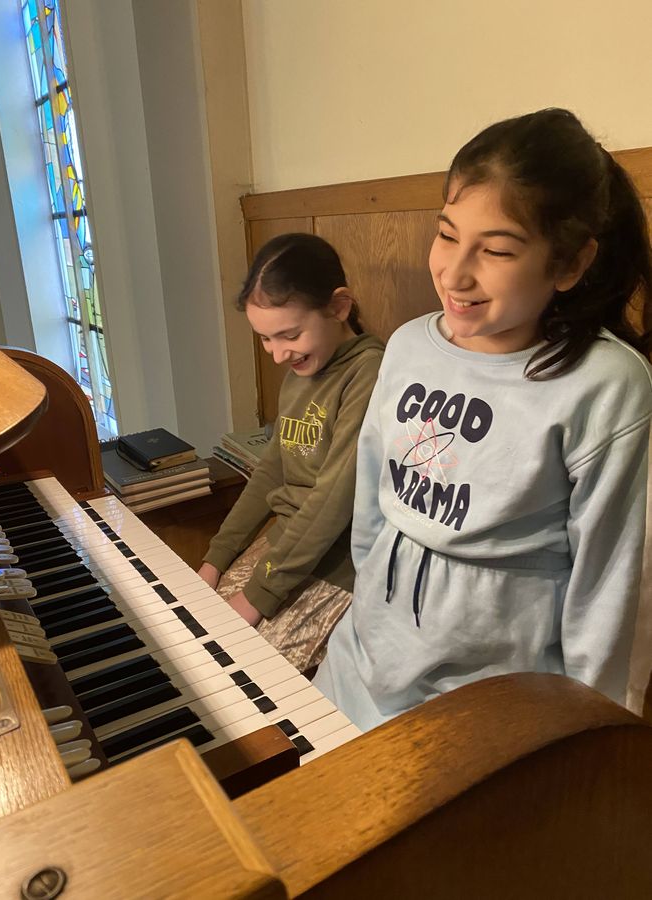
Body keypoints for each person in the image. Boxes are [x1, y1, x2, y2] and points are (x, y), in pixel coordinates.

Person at [314, 108, 652, 731]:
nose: (455, 272)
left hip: (495, 701)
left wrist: (593, 739)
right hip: (365, 660)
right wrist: (370, 595)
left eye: (495, 249)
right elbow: (373, 498)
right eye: (447, 234)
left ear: (570, 264)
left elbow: (611, 589)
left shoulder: (605, 385)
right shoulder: (411, 345)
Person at [198, 233, 384, 672]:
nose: (278, 353)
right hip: (287, 544)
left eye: (289, 335)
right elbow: (271, 471)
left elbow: (332, 502)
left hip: (337, 564)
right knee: (196, 642)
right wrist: (216, 558)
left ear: (338, 307)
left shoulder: (369, 372)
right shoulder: (304, 366)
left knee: (241, 672)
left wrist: (257, 596)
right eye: (264, 339)